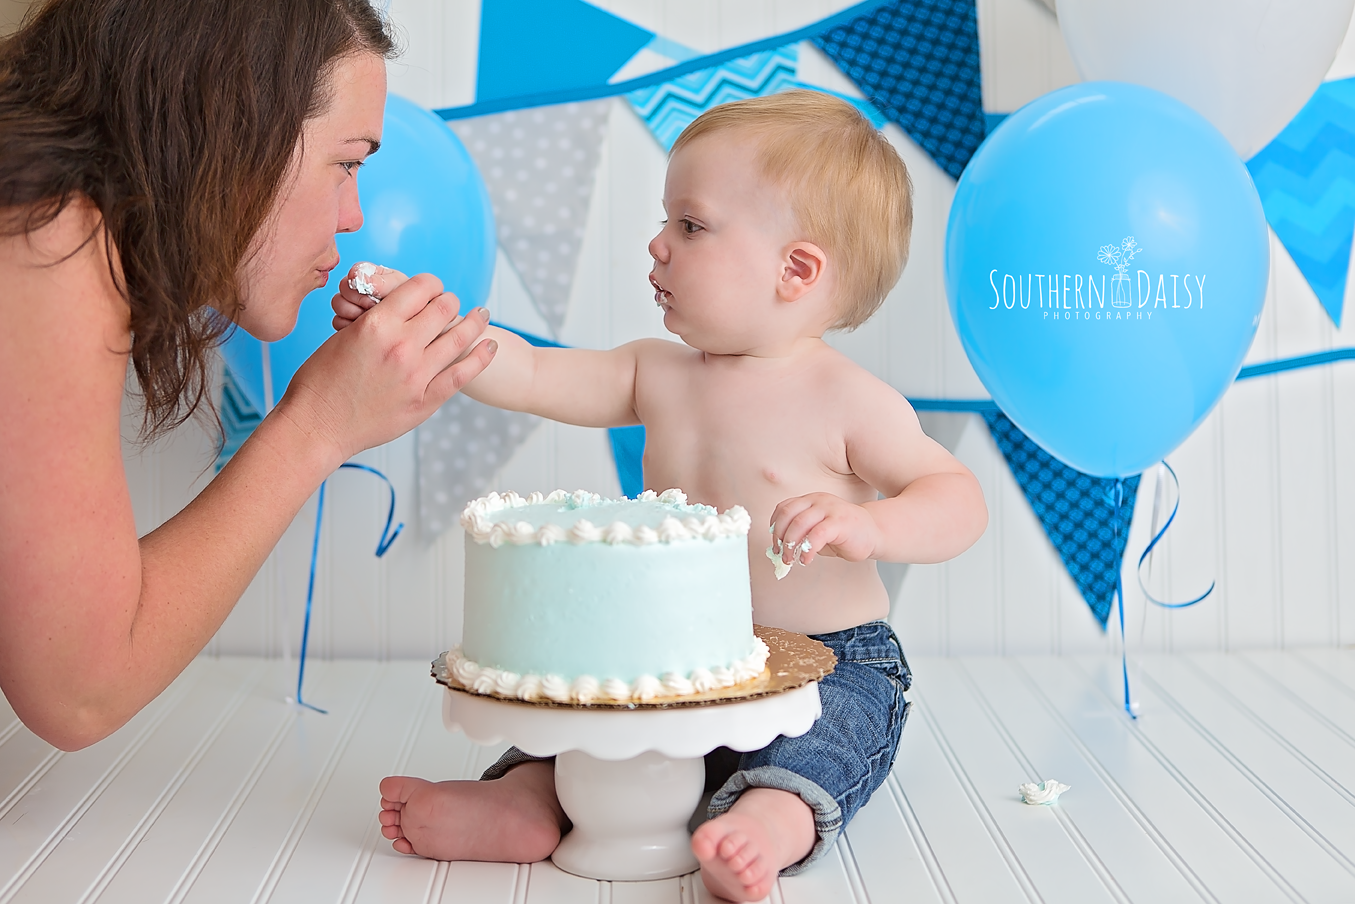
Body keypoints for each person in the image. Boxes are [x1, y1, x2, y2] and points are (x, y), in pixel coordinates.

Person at [339, 90, 988, 901]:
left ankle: (763, 829)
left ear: (796, 269)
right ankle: (524, 803)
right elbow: (534, 371)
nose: (657, 243)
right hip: (673, 662)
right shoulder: (657, 372)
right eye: (665, 220)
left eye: (691, 224)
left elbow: (957, 498)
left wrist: (869, 523)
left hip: (826, 665)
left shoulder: (849, 400)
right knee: (591, 735)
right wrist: (421, 321)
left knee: (812, 754)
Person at [0, 0, 495, 752]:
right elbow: (79, 692)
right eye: (346, 162)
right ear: (232, 126)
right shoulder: (49, 236)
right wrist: (316, 426)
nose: (354, 214)